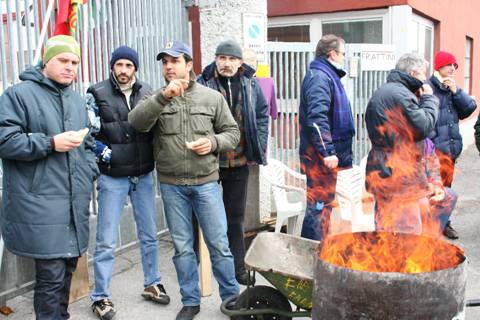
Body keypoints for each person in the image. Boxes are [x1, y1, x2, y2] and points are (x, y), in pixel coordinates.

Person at [128, 40, 240, 320]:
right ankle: (190, 301)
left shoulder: (211, 97)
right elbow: (136, 122)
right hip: (172, 185)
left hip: (206, 183)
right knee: (182, 247)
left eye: (175, 61)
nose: (168, 66)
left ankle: (232, 298)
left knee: (219, 244)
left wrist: (213, 143)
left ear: (189, 66)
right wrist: (163, 97)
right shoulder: (154, 97)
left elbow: (232, 133)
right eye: (164, 62)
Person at [0, 35, 98, 320]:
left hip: (72, 204)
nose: (70, 67)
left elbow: (89, 144)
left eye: (75, 62)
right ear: (47, 61)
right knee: (50, 278)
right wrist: (50, 143)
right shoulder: (19, 95)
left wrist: (88, 171)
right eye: (63, 60)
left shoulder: (78, 101)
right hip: (39, 204)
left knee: (67, 271)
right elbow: (5, 140)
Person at [88, 46, 170, 320]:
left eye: (129, 65)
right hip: (113, 177)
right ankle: (100, 297)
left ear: (136, 68)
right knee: (107, 241)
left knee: (149, 234)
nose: (123, 70)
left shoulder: (148, 92)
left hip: (143, 174)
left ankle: (152, 283)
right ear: (112, 66)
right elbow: (89, 134)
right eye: (119, 65)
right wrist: (103, 152)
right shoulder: (96, 93)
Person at [197, 39, 268, 285]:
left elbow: (261, 116)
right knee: (203, 215)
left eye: (232, 59)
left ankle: (238, 267)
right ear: (216, 59)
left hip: (238, 161)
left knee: (235, 217)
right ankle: (203, 266)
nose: (227, 64)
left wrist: (258, 146)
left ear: (240, 63)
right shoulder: (202, 82)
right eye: (222, 58)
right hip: (209, 162)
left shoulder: (251, 84)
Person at [365, 53, 439, 234]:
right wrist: (429, 99)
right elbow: (423, 127)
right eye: (423, 75)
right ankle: (403, 261)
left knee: (385, 227)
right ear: (413, 73)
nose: (425, 80)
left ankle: (387, 260)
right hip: (398, 173)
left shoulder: (390, 91)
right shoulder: (400, 94)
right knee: (408, 230)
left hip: (385, 169)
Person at [298, 34, 355, 241]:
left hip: (322, 159)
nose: (343, 57)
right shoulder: (320, 77)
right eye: (342, 54)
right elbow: (316, 118)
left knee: (323, 206)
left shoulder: (326, 75)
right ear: (332, 54)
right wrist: (328, 151)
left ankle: (317, 250)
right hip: (319, 159)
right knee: (318, 207)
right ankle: (310, 254)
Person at [427, 50, 476, 239]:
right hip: (434, 151)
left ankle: (444, 223)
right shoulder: (428, 87)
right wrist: (433, 142)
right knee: (431, 190)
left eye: (455, 65)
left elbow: (469, 109)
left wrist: (457, 92)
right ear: (439, 66)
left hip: (451, 151)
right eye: (449, 65)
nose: (453, 69)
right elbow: (424, 118)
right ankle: (429, 228)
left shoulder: (451, 87)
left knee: (446, 190)